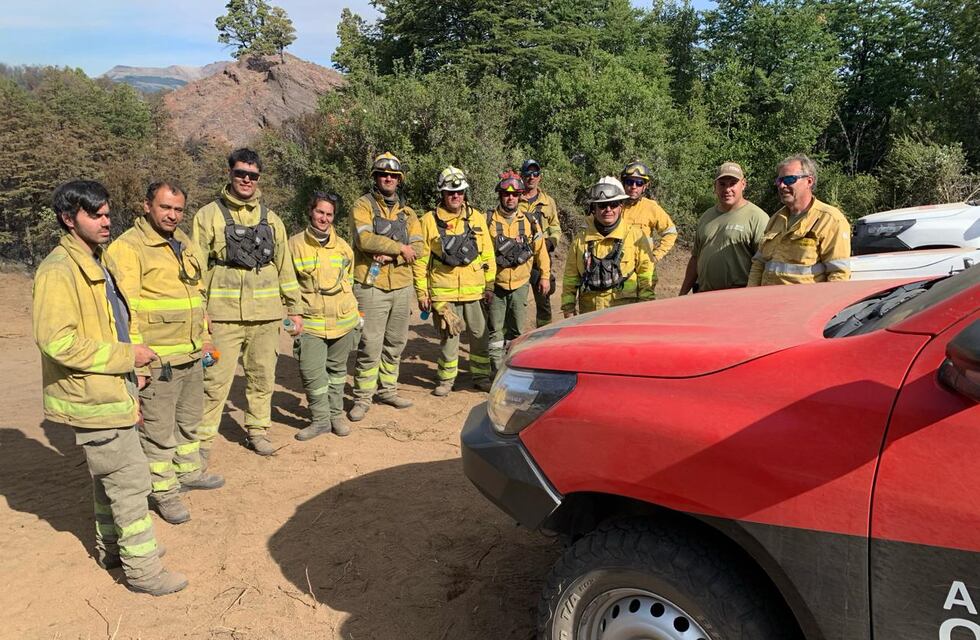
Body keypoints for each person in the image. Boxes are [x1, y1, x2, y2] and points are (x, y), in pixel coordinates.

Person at [33, 179, 186, 595]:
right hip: (92, 397)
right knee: (131, 480)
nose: (106, 221)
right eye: (95, 215)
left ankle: (113, 548)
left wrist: (131, 367)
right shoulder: (59, 271)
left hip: (114, 389)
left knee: (109, 479)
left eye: (106, 213)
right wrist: (125, 358)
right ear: (68, 218)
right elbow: (56, 341)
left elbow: (117, 319)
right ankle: (143, 571)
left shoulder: (97, 260)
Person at [104, 182, 225, 526]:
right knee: (158, 432)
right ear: (147, 206)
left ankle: (189, 472)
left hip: (190, 353)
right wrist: (137, 359)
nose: (172, 215)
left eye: (178, 209)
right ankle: (164, 492)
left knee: (189, 422)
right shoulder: (128, 248)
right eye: (165, 208)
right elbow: (125, 311)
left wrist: (203, 339)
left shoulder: (184, 242)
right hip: (157, 360)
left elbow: (197, 294)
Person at [192, 148, 302, 457]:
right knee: (214, 381)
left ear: (259, 178)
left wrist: (295, 309)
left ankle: (257, 430)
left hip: (266, 317)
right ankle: (201, 443)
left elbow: (285, 267)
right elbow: (196, 270)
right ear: (229, 173)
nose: (246, 179)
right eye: (241, 173)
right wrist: (200, 316)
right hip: (222, 317)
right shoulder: (207, 216)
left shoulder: (272, 220)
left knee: (263, 376)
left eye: (252, 175)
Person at [347, 153, 424, 422]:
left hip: (402, 286)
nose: (388, 178)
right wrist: (400, 248)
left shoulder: (408, 213)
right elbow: (364, 239)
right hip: (371, 286)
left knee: (396, 342)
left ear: (399, 180)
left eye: (393, 175)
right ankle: (362, 398)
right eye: (383, 174)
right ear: (375, 178)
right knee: (370, 343)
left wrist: (393, 254)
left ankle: (388, 390)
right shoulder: (363, 205)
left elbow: (420, 247)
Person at [413, 166, 495, 396]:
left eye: (459, 192)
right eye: (450, 192)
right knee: (449, 337)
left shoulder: (476, 218)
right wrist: (422, 293)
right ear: (442, 193)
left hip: (475, 292)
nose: (455, 196)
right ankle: (447, 380)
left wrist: (489, 285)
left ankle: (480, 376)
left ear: (465, 193)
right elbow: (420, 262)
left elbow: (487, 254)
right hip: (444, 293)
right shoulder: (428, 221)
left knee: (480, 336)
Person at [288, 192, 359, 440]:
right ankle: (319, 420)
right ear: (311, 212)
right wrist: (292, 315)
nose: (324, 218)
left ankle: (336, 416)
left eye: (329, 214)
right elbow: (288, 284)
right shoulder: (294, 245)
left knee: (338, 371)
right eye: (320, 212)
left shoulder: (343, 247)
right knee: (312, 372)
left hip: (342, 321)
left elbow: (348, 281)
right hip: (311, 323)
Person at [748, 154, 851, 286]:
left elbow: (838, 275)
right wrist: (750, 297)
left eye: (789, 180)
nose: (782, 186)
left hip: (805, 304)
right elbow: (759, 265)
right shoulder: (776, 219)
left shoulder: (830, 220)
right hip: (769, 303)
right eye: (779, 181)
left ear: (809, 181)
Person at [562, 177, 656, 316]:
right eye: (602, 205)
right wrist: (568, 309)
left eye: (613, 204)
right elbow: (570, 278)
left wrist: (645, 309)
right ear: (593, 208)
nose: (608, 209)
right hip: (590, 315)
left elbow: (647, 275)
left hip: (626, 314)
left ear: (621, 206)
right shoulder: (580, 240)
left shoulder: (635, 237)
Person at [487, 171, 550, 372]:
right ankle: (496, 372)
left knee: (518, 331)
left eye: (515, 194)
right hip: (496, 285)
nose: (511, 198)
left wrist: (545, 276)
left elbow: (541, 251)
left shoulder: (530, 221)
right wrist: (485, 286)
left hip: (521, 284)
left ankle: (515, 370)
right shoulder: (487, 220)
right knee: (495, 332)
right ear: (500, 195)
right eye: (506, 194)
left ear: (520, 196)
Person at [679, 163, 769, 294]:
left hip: (738, 297)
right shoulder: (706, 216)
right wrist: (682, 293)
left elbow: (764, 263)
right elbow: (696, 258)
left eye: (733, 183)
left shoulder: (757, 217)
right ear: (715, 186)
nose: (727, 189)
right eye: (722, 184)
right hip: (704, 295)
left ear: (743, 184)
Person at [518, 159, 561, 327]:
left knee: (544, 299)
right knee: (516, 301)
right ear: (522, 176)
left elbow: (555, 226)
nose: (532, 177)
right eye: (528, 173)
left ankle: (544, 333)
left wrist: (551, 242)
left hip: (540, 260)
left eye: (535, 173)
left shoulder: (548, 201)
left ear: (540, 177)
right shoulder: (513, 198)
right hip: (518, 259)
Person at [620, 161, 678, 266]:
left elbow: (671, 232)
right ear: (623, 183)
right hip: (614, 269)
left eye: (639, 183)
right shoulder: (612, 206)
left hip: (641, 270)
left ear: (645, 186)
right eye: (629, 182)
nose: (634, 186)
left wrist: (654, 257)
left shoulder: (651, 207)